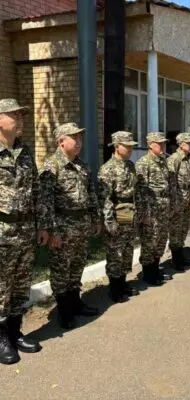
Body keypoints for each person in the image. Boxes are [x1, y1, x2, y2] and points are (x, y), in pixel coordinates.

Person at [39, 122, 101, 330]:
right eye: (74, 137)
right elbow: (45, 203)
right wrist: (52, 231)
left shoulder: (82, 165)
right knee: (61, 270)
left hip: (81, 225)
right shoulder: (51, 167)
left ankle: (76, 303)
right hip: (63, 228)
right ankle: (64, 311)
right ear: (61, 141)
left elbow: (92, 195)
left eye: (80, 138)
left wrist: (95, 218)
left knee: (76, 267)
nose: (79, 142)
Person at [0, 99, 48, 365]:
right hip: (2, 230)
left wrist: (41, 225)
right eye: (14, 115)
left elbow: (37, 192)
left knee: (19, 285)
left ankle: (14, 331)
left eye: (22, 116)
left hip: (25, 230)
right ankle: (0, 338)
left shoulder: (25, 152)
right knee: (0, 287)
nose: (20, 120)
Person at [98, 131, 140, 303]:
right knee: (116, 253)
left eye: (131, 146)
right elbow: (105, 198)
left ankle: (123, 284)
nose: (130, 149)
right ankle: (115, 290)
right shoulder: (107, 169)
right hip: (117, 214)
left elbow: (135, 191)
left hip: (130, 214)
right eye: (127, 146)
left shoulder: (130, 165)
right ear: (116, 146)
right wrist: (109, 222)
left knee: (127, 251)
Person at [136, 132, 174, 285]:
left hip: (163, 206)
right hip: (151, 209)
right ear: (150, 144)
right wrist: (144, 213)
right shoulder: (143, 163)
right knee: (150, 241)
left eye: (164, 143)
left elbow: (170, 185)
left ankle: (155, 269)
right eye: (160, 144)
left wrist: (171, 204)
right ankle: (148, 273)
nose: (163, 146)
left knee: (160, 240)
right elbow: (140, 191)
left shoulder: (163, 161)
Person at [167, 132, 190, 271]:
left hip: (187, 196)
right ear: (180, 144)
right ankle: (175, 260)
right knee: (176, 229)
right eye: (188, 143)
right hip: (178, 197)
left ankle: (180, 256)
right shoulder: (175, 159)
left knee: (184, 227)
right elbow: (171, 182)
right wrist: (174, 203)